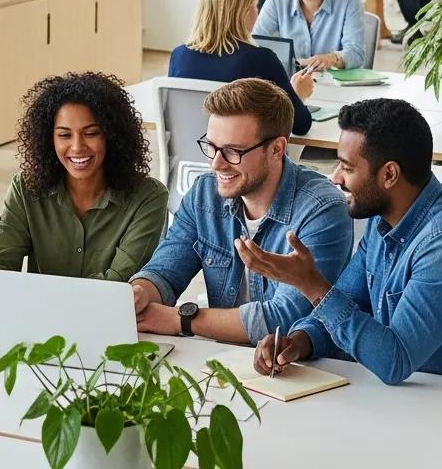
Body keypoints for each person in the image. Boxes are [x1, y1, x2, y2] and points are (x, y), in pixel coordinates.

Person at [240, 98, 442, 468]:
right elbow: (347, 301)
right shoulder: (384, 224)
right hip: (413, 407)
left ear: (389, 174)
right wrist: (298, 342)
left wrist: (312, 285)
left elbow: (394, 360)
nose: (335, 177)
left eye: (347, 167)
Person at [130, 77, 352, 346]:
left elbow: (285, 319)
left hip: (302, 371)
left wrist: (182, 320)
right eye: (211, 147)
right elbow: (165, 270)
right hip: (225, 361)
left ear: (276, 149)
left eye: (233, 151)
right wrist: (141, 291)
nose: (216, 164)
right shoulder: (204, 193)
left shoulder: (322, 211)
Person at [0, 72, 168, 297]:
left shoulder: (148, 197)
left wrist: (31, 292)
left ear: (112, 135)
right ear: (48, 139)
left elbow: (119, 288)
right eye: (64, 135)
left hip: (105, 325)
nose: (77, 147)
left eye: (91, 133)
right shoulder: (25, 188)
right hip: (39, 325)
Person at [169, 0, 314, 136]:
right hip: (241, 159)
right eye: (254, 5)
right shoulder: (261, 59)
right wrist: (298, 94)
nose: (256, 12)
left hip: (189, 157)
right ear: (242, 12)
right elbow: (301, 125)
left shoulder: (178, 56)